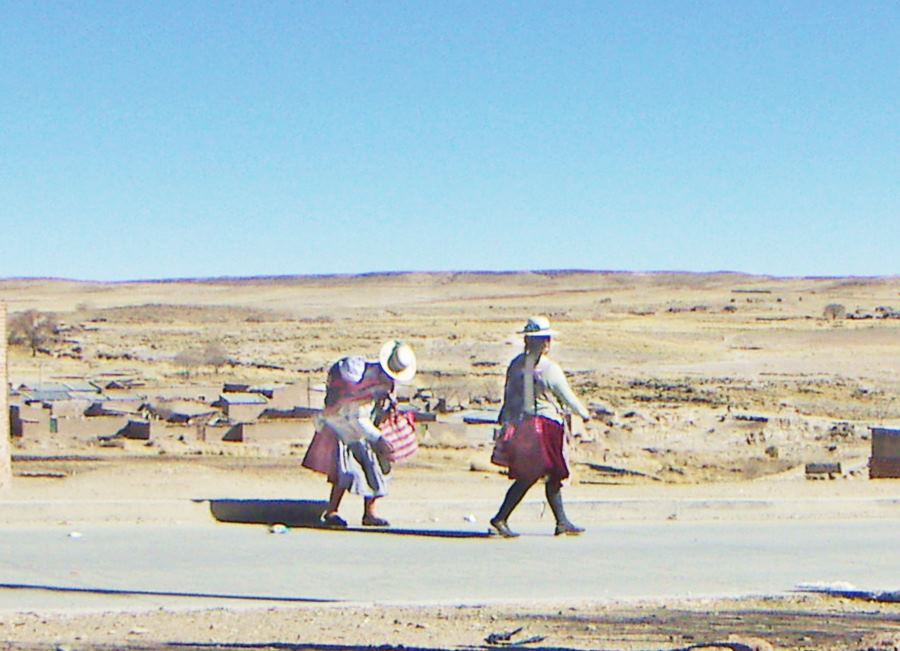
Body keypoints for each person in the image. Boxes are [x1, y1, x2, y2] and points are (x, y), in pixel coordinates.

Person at [490, 316, 591, 537]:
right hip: (545, 427)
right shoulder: (548, 369)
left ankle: (561, 522)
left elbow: (509, 395)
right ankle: (501, 517)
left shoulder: (516, 365)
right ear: (543, 342)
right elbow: (566, 395)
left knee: (551, 475)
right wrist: (584, 414)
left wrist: (505, 419)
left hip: (522, 425)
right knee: (531, 475)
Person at [302, 340, 416, 527]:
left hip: (361, 429)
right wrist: (378, 437)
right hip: (346, 429)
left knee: (370, 469)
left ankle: (365, 513)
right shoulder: (364, 381)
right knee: (348, 471)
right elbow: (356, 416)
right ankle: (333, 512)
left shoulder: (377, 381)